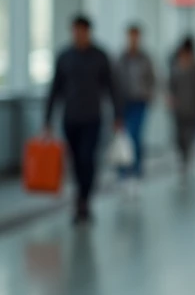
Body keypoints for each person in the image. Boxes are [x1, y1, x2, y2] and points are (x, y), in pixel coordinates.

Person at [44, 15, 123, 224]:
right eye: (75, 31)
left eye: (82, 31)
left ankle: (84, 199)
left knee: (88, 158)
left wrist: (118, 114)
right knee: (76, 161)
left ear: (88, 32)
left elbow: (111, 87)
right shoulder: (65, 57)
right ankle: (80, 196)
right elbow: (55, 89)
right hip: (70, 118)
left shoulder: (100, 56)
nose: (78, 35)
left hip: (92, 118)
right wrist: (48, 120)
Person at [115, 24, 156, 181]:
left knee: (136, 135)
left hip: (140, 101)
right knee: (124, 136)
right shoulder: (121, 58)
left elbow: (152, 79)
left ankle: (137, 168)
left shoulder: (145, 58)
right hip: (124, 102)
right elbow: (115, 80)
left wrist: (149, 93)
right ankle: (123, 170)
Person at [167, 37, 195, 177]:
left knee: (189, 134)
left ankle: (187, 157)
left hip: (193, 107)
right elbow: (170, 85)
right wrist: (171, 98)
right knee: (179, 136)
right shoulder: (175, 67)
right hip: (179, 108)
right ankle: (182, 156)